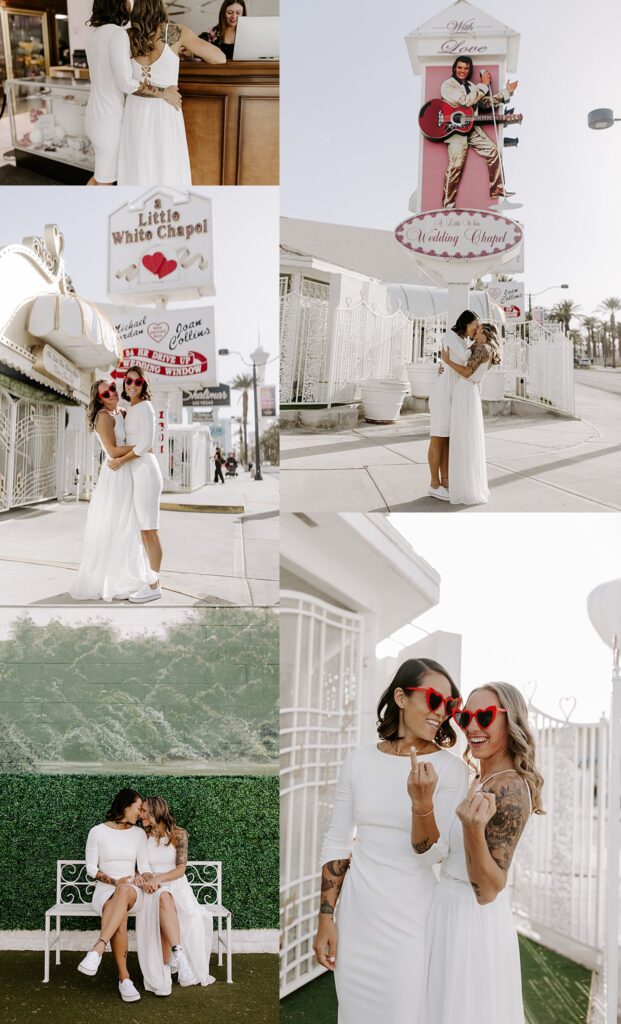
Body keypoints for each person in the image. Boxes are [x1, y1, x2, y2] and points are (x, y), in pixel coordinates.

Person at [312, 659, 469, 1024]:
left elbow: (433, 855)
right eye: (433, 699)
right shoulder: (358, 761)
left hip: (411, 924)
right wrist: (325, 917)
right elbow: (337, 840)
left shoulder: (449, 770)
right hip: (357, 919)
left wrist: (422, 804)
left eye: (449, 705)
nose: (441, 713)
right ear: (401, 696)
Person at [419, 683, 544, 1024]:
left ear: (511, 721)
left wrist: (472, 830)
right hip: (444, 908)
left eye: (485, 717)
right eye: (465, 717)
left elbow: (489, 890)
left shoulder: (511, 788)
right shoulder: (477, 777)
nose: (472, 727)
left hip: (471, 920)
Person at [117, 0, 226, 186]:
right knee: (167, 167)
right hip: (165, 110)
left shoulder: (124, 37)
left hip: (135, 110)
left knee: (138, 167)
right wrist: (188, 52)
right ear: (160, 5)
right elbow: (219, 58)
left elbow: (122, 79)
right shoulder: (176, 32)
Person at [70, 379, 157, 602]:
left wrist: (142, 444)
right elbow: (113, 450)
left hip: (129, 472)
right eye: (104, 393)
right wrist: (144, 446)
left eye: (111, 388)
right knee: (115, 525)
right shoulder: (103, 417)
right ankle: (109, 581)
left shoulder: (122, 411)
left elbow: (137, 434)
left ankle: (127, 576)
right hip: (116, 475)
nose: (110, 394)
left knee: (130, 526)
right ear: (99, 399)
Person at [84, 0, 182, 186]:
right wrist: (164, 92)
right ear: (119, 5)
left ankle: (83, 214)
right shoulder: (118, 35)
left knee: (100, 176)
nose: (131, 5)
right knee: (105, 181)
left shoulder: (94, 35)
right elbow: (126, 83)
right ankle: (94, 215)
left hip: (95, 115)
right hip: (109, 120)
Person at [78, 789, 152, 1003]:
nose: (140, 813)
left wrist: (145, 877)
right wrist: (114, 881)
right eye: (138, 808)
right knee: (119, 913)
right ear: (125, 806)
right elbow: (91, 868)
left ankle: (98, 948)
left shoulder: (138, 834)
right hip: (105, 891)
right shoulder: (97, 832)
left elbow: (144, 865)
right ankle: (124, 978)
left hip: (132, 892)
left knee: (123, 891)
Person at [135, 797, 215, 994]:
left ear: (156, 811)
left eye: (145, 811)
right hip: (151, 890)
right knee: (162, 899)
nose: (141, 815)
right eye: (141, 811)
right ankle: (176, 962)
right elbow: (142, 865)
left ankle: (172, 965)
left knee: (165, 898)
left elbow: (180, 870)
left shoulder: (179, 835)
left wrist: (158, 879)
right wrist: (146, 879)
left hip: (177, 888)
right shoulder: (142, 836)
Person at [108, 368, 163, 603]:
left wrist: (120, 460)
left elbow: (145, 444)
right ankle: (147, 581)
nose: (132, 384)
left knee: (150, 530)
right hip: (136, 471)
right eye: (128, 380)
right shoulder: (130, 410)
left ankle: (155, 585)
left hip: (146, 471)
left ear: (143, 384)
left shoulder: (146, 407)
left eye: (137, 381)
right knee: (142, 530)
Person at [440, 56, 518, 209]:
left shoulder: (471, 86)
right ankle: (447, 206)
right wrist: (483, 85)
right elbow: (465, 101)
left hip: (471, 126)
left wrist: (506, 93)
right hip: (454, 130)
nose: (462, 71)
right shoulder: (448, 85)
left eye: (466, 68)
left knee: (493, 151)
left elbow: (485, 103)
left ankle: (497, 189)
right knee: (455, 166)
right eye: (460, 67)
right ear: (455, 68)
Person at [441, 321, 502, 505]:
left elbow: (467, 372)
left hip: (466, 390)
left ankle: (464, 487)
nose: (475, 331)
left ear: (486, 333)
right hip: (469, 392)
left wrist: (447, 361)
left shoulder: (484, 349)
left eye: (479, 329)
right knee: (465, 436)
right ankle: (465, 484)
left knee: (463, 437)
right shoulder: (484, 347)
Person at [427, 309, 479, 500]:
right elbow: (465, 359)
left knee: (448, 438)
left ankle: (446, 481)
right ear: (467, 322)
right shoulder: (450, 336)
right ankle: (434, 483)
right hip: (442, 393)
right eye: (476, 325)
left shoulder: (464, 341)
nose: (477, 329)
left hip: (453, 393)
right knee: (438, 437)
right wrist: (480, 342)